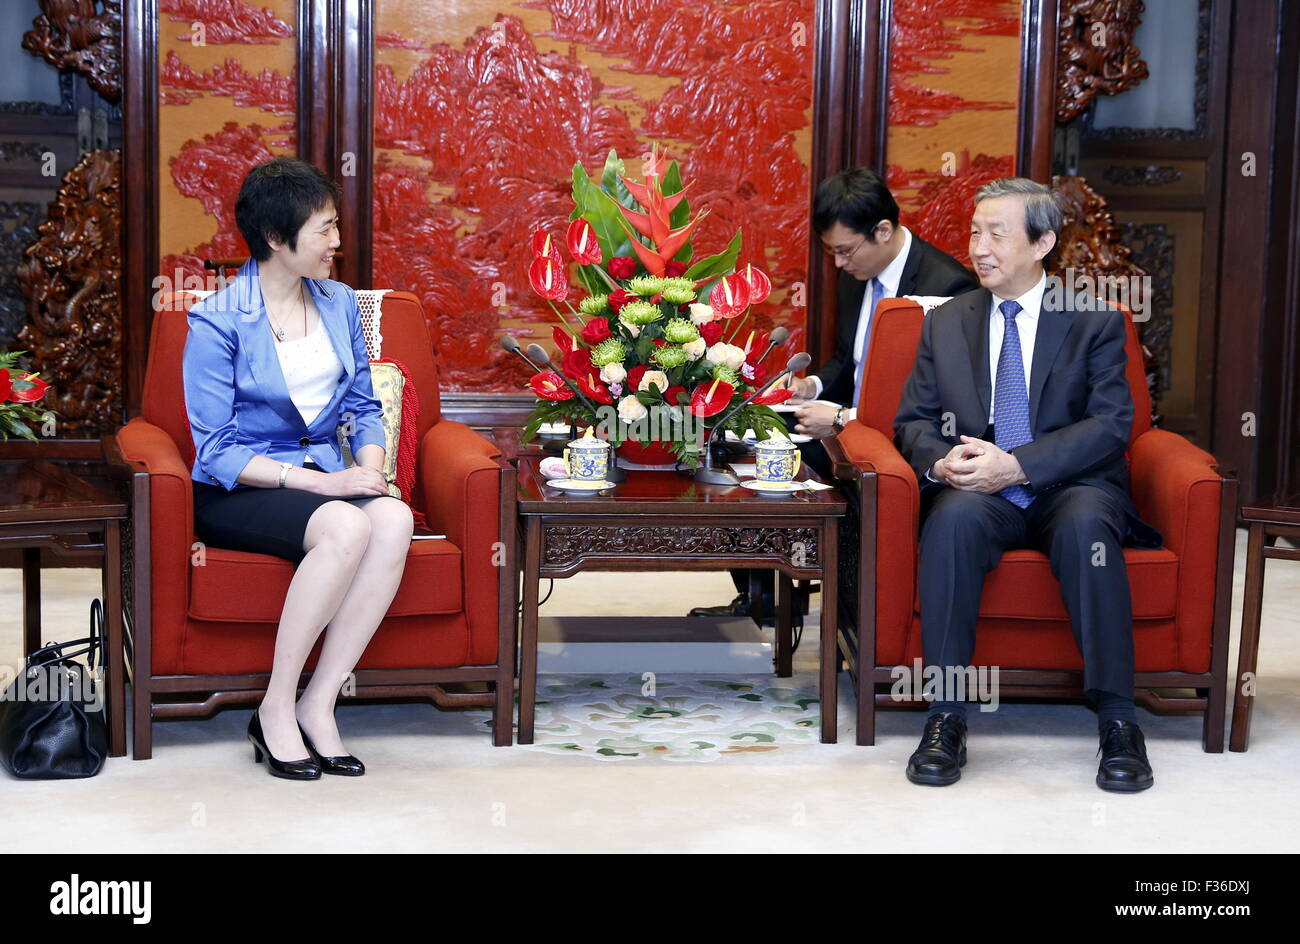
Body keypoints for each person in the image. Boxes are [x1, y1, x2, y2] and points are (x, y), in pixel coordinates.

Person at [893, 177, 1162, 792]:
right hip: (978, 489)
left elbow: (1112, 423)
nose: (979, 247)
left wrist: (1020, 465)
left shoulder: (1092, 318)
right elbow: (912, 420)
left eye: (996, 233)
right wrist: (941, 464)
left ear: (1042, 242)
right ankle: (946, 714)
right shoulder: (947, 321)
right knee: (952, 519)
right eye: (973, 232)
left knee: (1088, 527)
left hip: (1067, 484)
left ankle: (1119, 719)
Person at [183, 157, 414, 780]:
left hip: (328, 473)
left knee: (391, 519)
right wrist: (326, 484)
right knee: (346, 526)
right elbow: (216, 449)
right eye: (324, 230)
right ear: (276, 241)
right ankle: (275, 707)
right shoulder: (217, 320)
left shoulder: (339, 303)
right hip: (244, 486)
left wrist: (371, 469)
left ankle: (319, 702)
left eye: (336, 226)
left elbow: (364, 404)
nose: (337, 243)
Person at [689, 168, 977, 623]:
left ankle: (799, 592)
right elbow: (850, 360)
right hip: (840, 420)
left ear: (883, 231)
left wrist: (844, 418)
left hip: (897, 441)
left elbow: (943, 402)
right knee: (736, 436)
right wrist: (811, 387)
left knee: (784, 460)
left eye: (845, 250)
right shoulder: (857, 273)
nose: (839, 264)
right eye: (832, 252)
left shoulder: (949, 288)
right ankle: (761, 589)